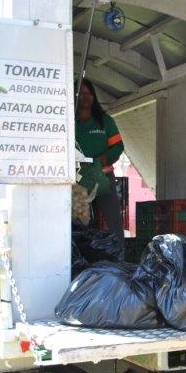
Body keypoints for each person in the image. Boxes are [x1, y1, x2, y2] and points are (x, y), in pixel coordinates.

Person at [75, 79, 125, 248]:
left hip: (103, 177)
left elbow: (118, 146)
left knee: (113, 221)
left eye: (89, 93)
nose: (85, 97)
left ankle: (119, 259)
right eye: (81, 93)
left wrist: (106, 157)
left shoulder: (105, 120)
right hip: (78, 179)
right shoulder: (68, 121)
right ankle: (79, 259)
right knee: (79, 221)